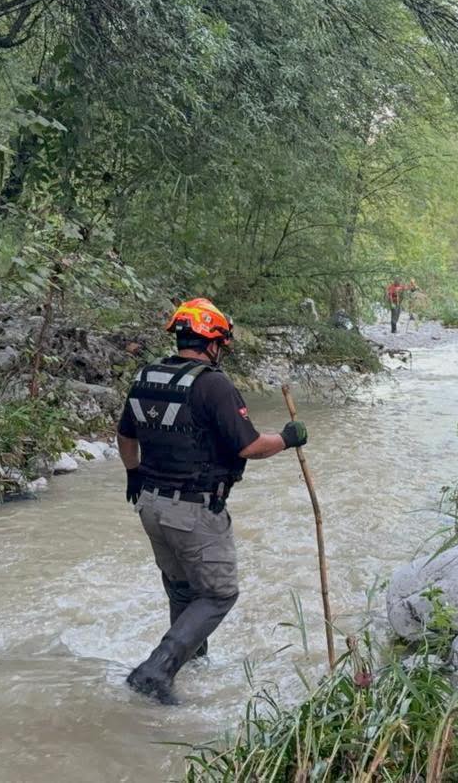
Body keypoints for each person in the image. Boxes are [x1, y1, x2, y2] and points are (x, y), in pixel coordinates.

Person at [117, 298, 309, 704]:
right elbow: (251, 447)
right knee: (219, 594)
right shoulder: (213, 384)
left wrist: (133, 472)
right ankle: (157, 670)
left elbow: (126, 436)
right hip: (193, 510)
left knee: (183, 590)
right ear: (212, 341)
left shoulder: (146, 376)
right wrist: (289, 438)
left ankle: (188, 667)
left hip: (150, 505)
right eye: (221, 342)